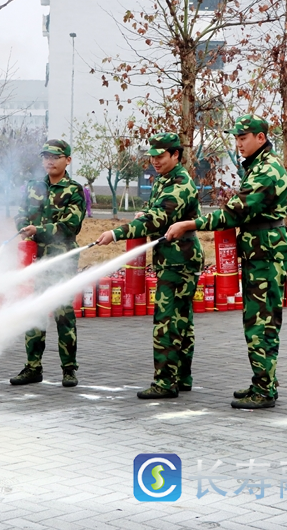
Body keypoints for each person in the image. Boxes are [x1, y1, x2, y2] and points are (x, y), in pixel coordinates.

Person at [166, 114, 287, 409]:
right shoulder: (258, 166)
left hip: (266, 255)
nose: (238, 144)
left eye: (244, 138)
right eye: (236, 138)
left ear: (261, 138)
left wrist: (190, 224)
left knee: (260, 322)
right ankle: (264, 381)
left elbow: (234, 213)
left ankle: (264, 391)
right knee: (259, 318)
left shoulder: (266, 170)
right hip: (260, 253)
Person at [96, 133, 203, 399]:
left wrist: (116, 233)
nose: (154, 161)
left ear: (175, 155)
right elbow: (157, 215)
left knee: (166, 321)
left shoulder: (180, 183)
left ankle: (165, 382)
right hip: (173, 259)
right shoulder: (163, 180)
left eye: (160, 156)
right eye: (152, 156)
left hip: (180, 261)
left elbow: (157, 219)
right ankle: (182, 377)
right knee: (182, 320)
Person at [10, 139, 85, 388]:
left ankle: (69, 369)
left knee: (63, 314)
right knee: (36, 311)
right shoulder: (33, 187)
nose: (50, 161)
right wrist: (22, 226)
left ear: (68, 160)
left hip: (61, 259)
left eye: (55, 156)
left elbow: (69, 226)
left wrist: (37, 229)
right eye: (46, 156)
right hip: (37, 258)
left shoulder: (74, 190)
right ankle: (33, 367)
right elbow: (21, 213)